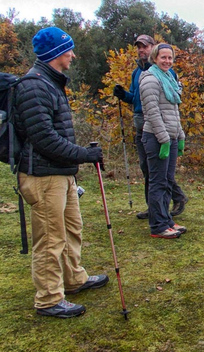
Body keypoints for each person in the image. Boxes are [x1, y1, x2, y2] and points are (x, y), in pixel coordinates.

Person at [14, 27, 108, 318]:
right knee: (51, 237)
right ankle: (48, 298)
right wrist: (85, 155)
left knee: (71, 229)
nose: (73, 55)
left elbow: (55, 134)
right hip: (43, 176)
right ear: (56, 53)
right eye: (69, 50)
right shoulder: (34, 86)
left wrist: (76, 161)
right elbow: (44, 139)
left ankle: (73, 278)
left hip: (60, 174)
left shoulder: (51, 83)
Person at [114, 34, 188, 219]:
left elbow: (171, 102)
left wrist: (175, 135)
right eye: (139, 47)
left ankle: (174, 200)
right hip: (141, 122)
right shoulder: (137, 73)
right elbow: (136, 99)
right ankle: (155, 208)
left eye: (145, 47)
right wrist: (123, 95)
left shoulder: (165, 73)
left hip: (159, 126)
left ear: (153, 50)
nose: (141, 50)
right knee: (148, 168)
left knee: (159, 172)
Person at [140, 43, 186, 239]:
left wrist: (180, 135)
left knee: (167, 181)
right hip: (157, 137)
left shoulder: (169, 78)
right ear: (154, 58)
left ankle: (166, 219)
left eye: (170, 58)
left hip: (171, 136)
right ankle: (158, 225)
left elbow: (173, 112)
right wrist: (164, 139)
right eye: (163, 57)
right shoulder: (150, 79)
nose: (167, 61)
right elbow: (152, 113)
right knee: (157, 182)